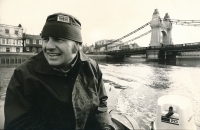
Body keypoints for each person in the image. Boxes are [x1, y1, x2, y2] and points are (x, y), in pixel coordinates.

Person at [4, 13, 114, 130]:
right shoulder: (23, 74)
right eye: (45, 39)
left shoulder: (91, 67)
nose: (49, 46)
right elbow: (18, 123)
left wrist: (104, 126)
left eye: (58, 39)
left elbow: (101, 104)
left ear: (78, 45)